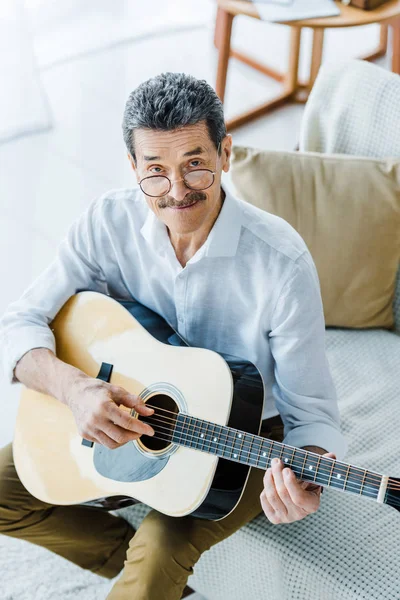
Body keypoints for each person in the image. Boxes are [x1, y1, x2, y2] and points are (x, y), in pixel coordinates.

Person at [0, 72, 347, 600]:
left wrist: (307, 483)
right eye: (156, 172)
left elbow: (313, 416)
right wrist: (74, 389)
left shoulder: (283, 262)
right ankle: (142, 571)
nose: (178, 191)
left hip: (247, 436)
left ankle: (151, 576)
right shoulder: (105, 223)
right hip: (126, 405)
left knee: (160, 550)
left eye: (195, 165)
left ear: (225, 153)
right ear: (134, 169)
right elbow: (18, 323)